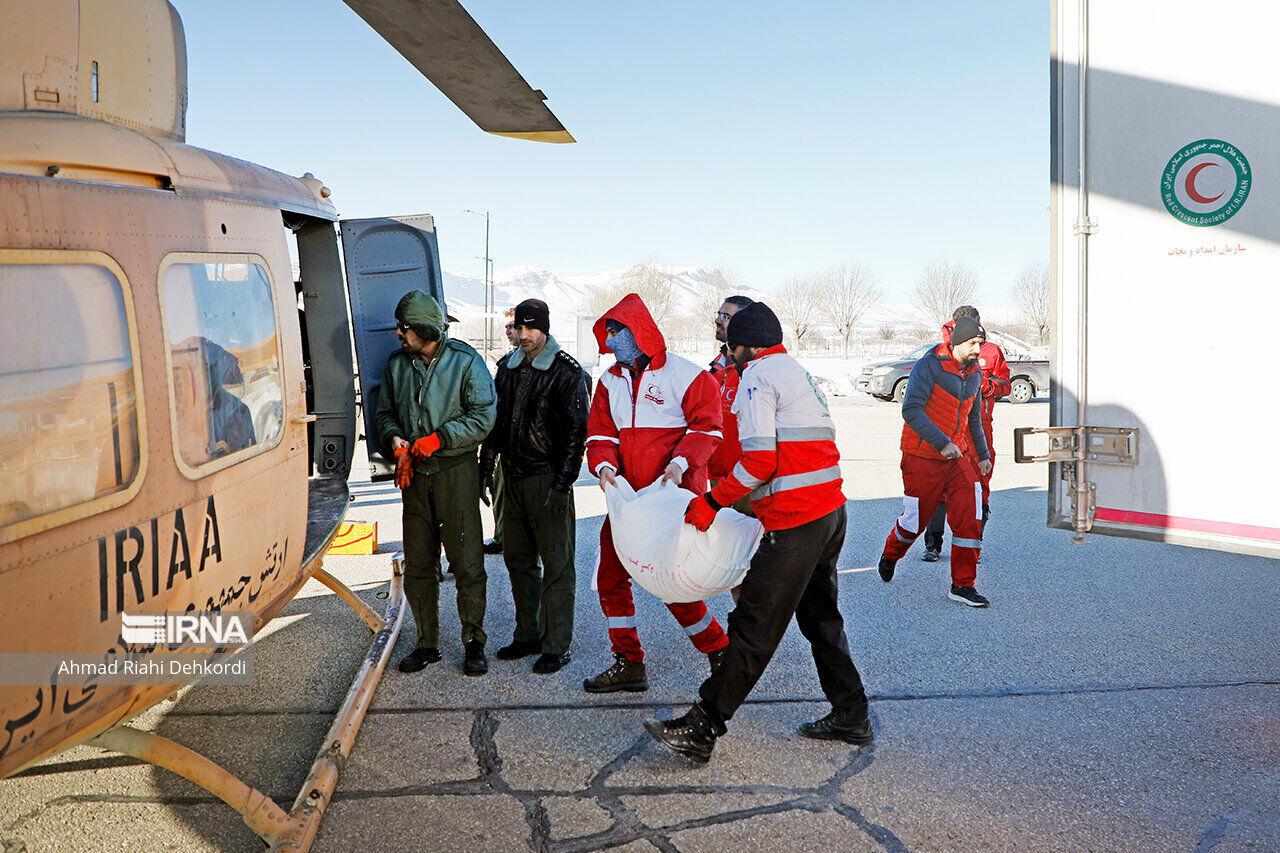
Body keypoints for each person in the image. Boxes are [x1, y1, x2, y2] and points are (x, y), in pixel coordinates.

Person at [644, 302, 871, 764]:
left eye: (731, 345)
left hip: (796, 521)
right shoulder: (795, 370)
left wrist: (711, 501)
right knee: (821, 619)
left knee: (752, 625)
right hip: (829, 513)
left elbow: (760, 462)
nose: (728, 353)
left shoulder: (756, 378)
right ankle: (852, 713)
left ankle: (703, 724)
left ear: (745, 346)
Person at [583, 293, 729, 693]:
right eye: (608, 333)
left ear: (639, 331)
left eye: (617, 331)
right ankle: (628, 661)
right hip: (629, 503)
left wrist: (679, 465)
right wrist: (604, 465)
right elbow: (600, 433)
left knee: (670, 581)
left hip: (671, 499)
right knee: (611, 576)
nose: (610, 340)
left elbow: (707, 429)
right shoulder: (609, 381)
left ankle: (720, 651)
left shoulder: (686, 375)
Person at [375, 290, 497, 675]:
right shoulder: (397, 366)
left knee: (467, 563)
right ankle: (426, 643)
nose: (398, 334)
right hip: (415, 478)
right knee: (419, 565)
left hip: (455, 475)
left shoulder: (465, 363)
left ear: (424, 329)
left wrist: (440, 439)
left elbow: (483, 415)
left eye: (405, 328)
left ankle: (473, 641)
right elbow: (384, 414)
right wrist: (395, 440)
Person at [479, 299, 589, 675]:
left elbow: (577, 434)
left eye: (530, 329)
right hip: (513, 477)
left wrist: (562, 485)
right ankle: (528, 634)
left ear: (543, 328)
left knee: (558, 565)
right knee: (518, 560)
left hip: (547, 479)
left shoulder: (566, 372)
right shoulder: (507, 370)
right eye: (518, 328)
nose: (522, 336)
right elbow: (495, 422)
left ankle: (556, 645)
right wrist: (485, 464)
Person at [876, 315, 993, 607]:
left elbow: (973, 420)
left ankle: (963, 585)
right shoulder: (928, 366)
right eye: (972, 343)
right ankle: (891, 553)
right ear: (955, 343)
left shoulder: (975, 374)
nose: (977, 349)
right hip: (922, 457)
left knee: (970, 517)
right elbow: (911, 410)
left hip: (959, 457)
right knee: (915, 521)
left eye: (980, 343)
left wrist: (983, 456)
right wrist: (942, 444)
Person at [921, 306, 1010, 561]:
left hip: (981, 427)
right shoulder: (941, 353)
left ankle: (973, 545)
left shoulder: (991, 352)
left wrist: (986, 384)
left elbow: (1005, 385)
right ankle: (932, 545)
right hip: (947, 427)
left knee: (979, 485)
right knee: (940, 486)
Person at [483, 309, 522, 557]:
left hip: (525, 445)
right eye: (506, 327)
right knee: (499, 490)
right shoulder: (507, 364)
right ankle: (502, 537)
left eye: (512, 326)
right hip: (504, 441)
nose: (508, 331)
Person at [709, 295, 754, 375]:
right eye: (719, 315)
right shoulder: (722, 358)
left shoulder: (754, 366)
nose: (717, 320)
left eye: (725, 317)